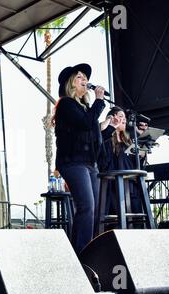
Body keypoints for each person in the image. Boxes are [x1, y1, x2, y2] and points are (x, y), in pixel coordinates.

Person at [52, 63, 107, 254]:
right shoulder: (66, 104)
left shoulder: (86, 108)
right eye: (79, 78)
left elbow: (93, 135)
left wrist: (107, 126)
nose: (85, 81)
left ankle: (88, 251)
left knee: (95, 210)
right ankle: (82, 253)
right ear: (71, 84)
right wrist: (100, 101)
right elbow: (85, 124)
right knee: (87, 207)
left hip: (90, 164)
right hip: (73, 162)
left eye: (85, 78)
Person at [98, 106, 148, 218]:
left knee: (136, 216)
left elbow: (135, 163)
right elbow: (103, 160)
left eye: (124, 117)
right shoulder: (107, 139)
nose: (124, 119)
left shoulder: (128, 140)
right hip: (114, 186)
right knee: (117, 217)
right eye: (120, 116)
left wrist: (142, 152)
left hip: (131, 185)